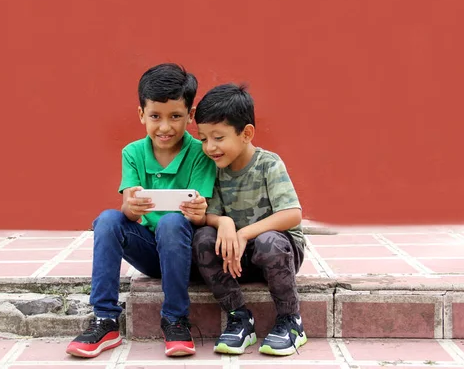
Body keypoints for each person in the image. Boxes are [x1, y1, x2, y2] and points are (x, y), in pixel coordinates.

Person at [66, 63, 216, 358]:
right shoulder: (132, 153)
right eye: (155, 116)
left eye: (175, 116)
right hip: (150, 253)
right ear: (141, 115)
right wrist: (131, 207)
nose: (165, 127)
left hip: (186, 254)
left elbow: (199, 215)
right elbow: (129, 211)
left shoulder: (200, 153)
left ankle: (175, 318)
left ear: (190, 115)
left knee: (172, 223)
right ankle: (105, 319)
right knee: (108, 219)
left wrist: (197, 212)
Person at [193, 83, 307, 356]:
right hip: (237, 259)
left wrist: (245, 233)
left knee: (268, 241)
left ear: (246, 133)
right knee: (202, 239)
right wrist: (223, 223)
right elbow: (212, 214)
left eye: (218, 138)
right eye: (203, 138)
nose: (210, 147)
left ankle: (291, 321)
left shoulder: (268, 164)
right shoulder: (216, 169)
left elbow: (292, 214)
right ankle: (239, 317)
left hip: (279, 253)